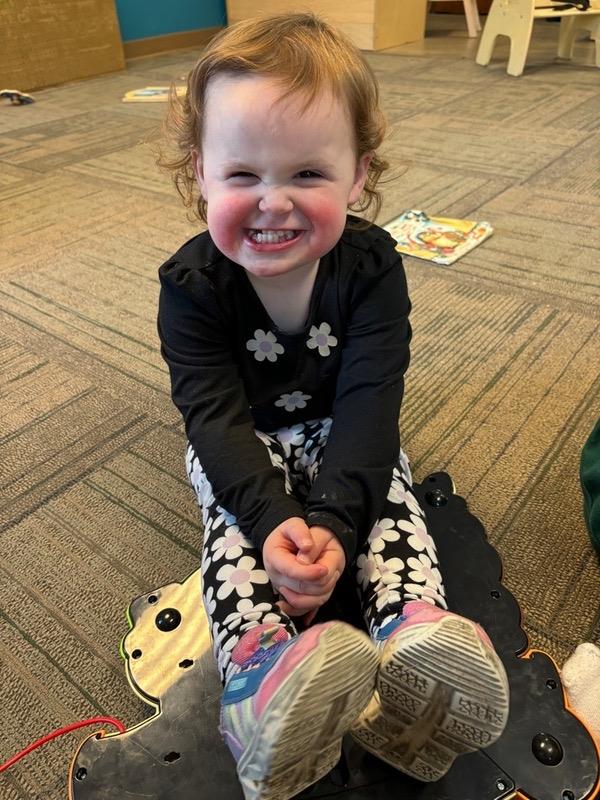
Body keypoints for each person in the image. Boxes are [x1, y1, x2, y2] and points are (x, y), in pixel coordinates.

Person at [157, 12, 509, 800]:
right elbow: (212, 419)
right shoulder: (188, 289)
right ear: (200, 174)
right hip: (243, 437)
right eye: (242, 175)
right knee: (230, 525)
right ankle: (259, 677)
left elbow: (371, 404)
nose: (272, 203)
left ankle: (415, 634)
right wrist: (274, 520)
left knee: (391, 491)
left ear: (358, 176)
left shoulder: (374, 266)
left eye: (308, 175)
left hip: (342, 429)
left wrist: (339, 524)